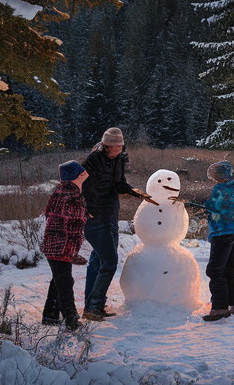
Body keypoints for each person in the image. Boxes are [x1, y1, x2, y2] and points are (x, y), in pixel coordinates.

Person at [80, 127, 155, 321]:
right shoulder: (92, 161)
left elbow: (118, 183)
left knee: (98, 259)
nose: (117, 150)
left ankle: (92, 305)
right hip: (94, 217)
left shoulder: (119, 160)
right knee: (109, 262)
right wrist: (87, 208)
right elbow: (81, 186)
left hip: (110, 214)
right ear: (106, 146)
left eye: (120, 146)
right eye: (114, 147)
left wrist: (133, 191)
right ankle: (94, 305)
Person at [182, 161, 234, 321]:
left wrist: (195, 206)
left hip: (221, 232)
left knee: (214, 270)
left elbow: (217, 208)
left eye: (214, 175)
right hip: (231, 231)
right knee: (228, 269)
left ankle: (219, 307)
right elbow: (223, 206)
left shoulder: (221, 189)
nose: (212, 179)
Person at [40, 161, 89, 330]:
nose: (84, 178)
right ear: (75, 177)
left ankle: (50, 316)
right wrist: (85, 213)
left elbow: (53, 214)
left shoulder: (60, 192)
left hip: (56, 245)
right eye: (82, 175)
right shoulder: (71, 194)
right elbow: (73, 220)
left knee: (59, 280)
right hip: (60, 246)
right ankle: (71, 320)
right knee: (65, 282)